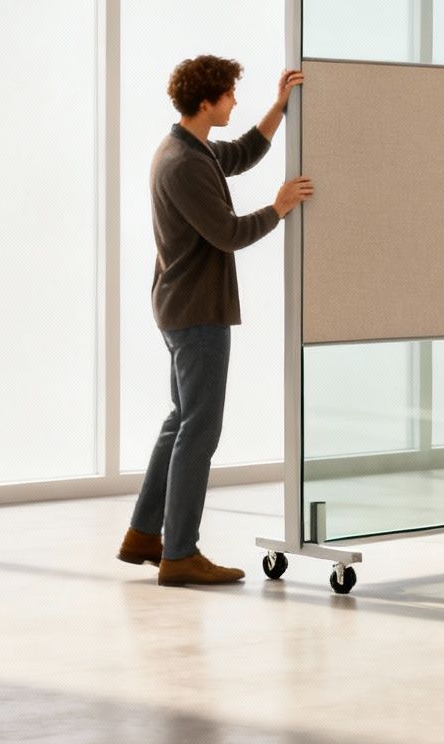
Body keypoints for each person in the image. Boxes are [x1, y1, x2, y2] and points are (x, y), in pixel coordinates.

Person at [117, 56, 313, 586]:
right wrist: (279, 208)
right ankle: (179, 554)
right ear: (207, 102)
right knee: (198, 431)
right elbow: (227, 233)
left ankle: (144, 533)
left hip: (181, 306)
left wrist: (278, 108)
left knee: (180, 421)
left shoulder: (189, 148)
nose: (233, 103)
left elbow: (242, 152)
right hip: (196, 311)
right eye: (229, 95)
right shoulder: (183, 163)